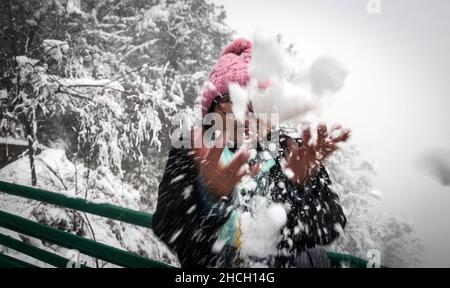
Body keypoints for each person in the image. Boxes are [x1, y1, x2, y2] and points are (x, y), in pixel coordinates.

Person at [152, 38, 350, 267]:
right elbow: (166, 224)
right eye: (232, 103)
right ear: (212, 110)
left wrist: (302, 189)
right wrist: (210, 199)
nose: (245, 117)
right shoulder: (191, 149)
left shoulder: (293, 153)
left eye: (257, 106)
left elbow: (330, 226)